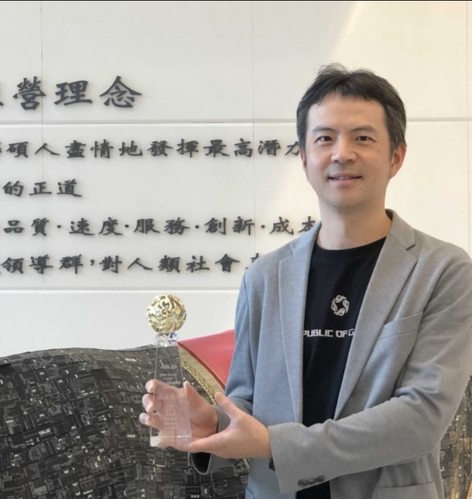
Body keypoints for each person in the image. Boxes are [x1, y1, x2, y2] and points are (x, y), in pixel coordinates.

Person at [139, 64, 472, 499]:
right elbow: (247, 401)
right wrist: (214, 424)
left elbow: (421, 418)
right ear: (303, 157)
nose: (342, 153)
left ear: (396, 157)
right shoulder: (265, 277)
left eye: (363, 138)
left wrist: (276, 445)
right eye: (324, 138)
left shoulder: (443, 270)